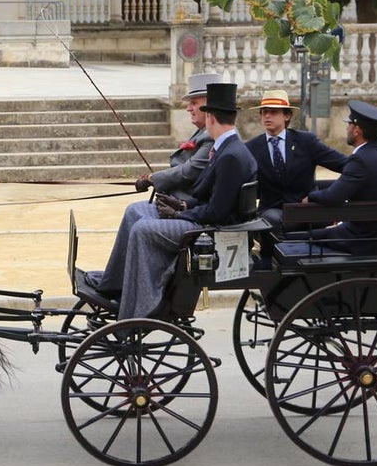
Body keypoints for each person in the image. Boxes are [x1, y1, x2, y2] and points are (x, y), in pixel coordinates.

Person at [90, 82, 258, 319]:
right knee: (135, 214)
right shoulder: (228, 148)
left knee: (143, 230)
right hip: (202, 220)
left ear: (210, 117)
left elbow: (216, 213)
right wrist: (183, 205)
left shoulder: (230, 155)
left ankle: (142, 305)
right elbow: (207, 197)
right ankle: (118, 285)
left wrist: (181, 214)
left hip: (209, 231)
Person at [285, 100, 377, 256]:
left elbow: (333, 197)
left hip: (366, 239)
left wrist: (310, 196)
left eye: (349, 124)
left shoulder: (359, 159)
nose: (347, 128)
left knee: (296, 238)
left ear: (357, 130)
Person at [243, 89, 347, 232]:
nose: (267, 116)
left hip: (307, 210)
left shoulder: (306, 142)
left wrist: (329, 196)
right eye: (264, 112)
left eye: (273, 112)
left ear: (287, 115)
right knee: (271, 220)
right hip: (272, 214)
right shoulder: (251, 148)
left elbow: (346, 165)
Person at [133, 72, 222, 202]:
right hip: (182, 196)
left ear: (210, 105)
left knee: (135, 213)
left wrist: (151, 178)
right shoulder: (204, 131)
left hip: (191, 203)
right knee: (134, 211)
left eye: (194, 103)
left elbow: (189, 172)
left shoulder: (214, 136)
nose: (188, 109)